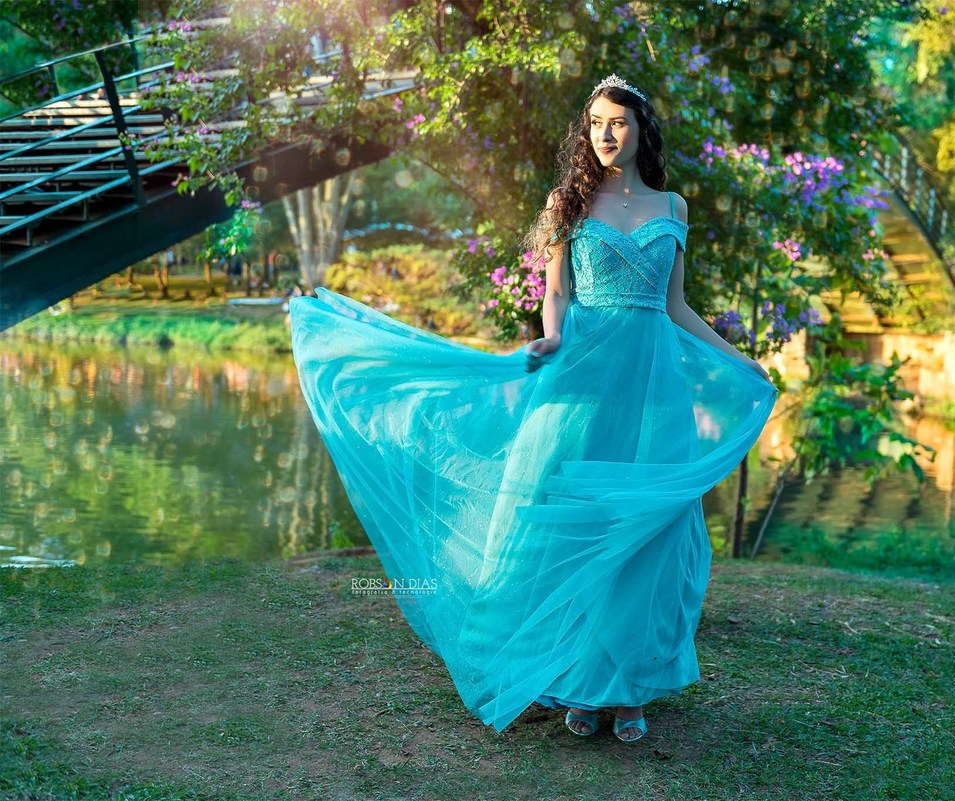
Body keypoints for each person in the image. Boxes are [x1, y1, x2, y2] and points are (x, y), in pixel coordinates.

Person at [288, 73, 778, 743]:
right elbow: (557, 293)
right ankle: (576, 678)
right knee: (567, 525)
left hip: (650, 389)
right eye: (597, 123)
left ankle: (628, 689)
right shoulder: (568, 202)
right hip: (583, 378)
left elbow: (675, 306)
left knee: (642, 535)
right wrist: (549, 334)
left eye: (620, 122)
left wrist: (735, 356)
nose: (607, 134)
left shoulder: (673, 209)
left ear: (641, 129)